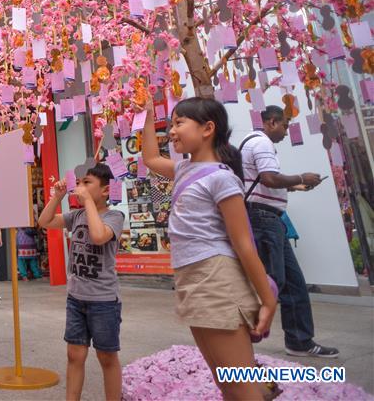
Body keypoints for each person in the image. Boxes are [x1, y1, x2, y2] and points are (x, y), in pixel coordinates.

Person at [142, 97, 277, 401]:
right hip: (194, 280)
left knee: (241, 387)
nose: (171, 132)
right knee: (227, 383)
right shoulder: (185, 169)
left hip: (216, 279)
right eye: (171, 124)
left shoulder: (221, 177)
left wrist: (268, 301)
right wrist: (148, 117)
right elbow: (150, 158)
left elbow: (244, 244)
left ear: (208, 129)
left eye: (178, 123)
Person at [240, 105, 336, 358]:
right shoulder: (261, 144)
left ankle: (300, 341)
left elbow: (264, 182)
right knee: (272, 282)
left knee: (291, 283)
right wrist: (299, 176)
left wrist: (296, 187)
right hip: (263, 218)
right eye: (284, 125)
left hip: (268, 218)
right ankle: (240, 337)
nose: (285, 131)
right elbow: (269, 179)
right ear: (271, 122)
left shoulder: (255, 143)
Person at [39, 163, 124, 401]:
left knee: (107, 357)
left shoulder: (115, 216)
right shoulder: (75, 216)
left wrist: (86, 201)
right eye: (80, 183)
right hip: (75, 298)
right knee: (74, 355)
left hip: (104, 301)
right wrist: (57, 197)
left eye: (87, 183)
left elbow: (98, 237)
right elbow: (44, 221)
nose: (80, 187)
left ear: (105, 191)